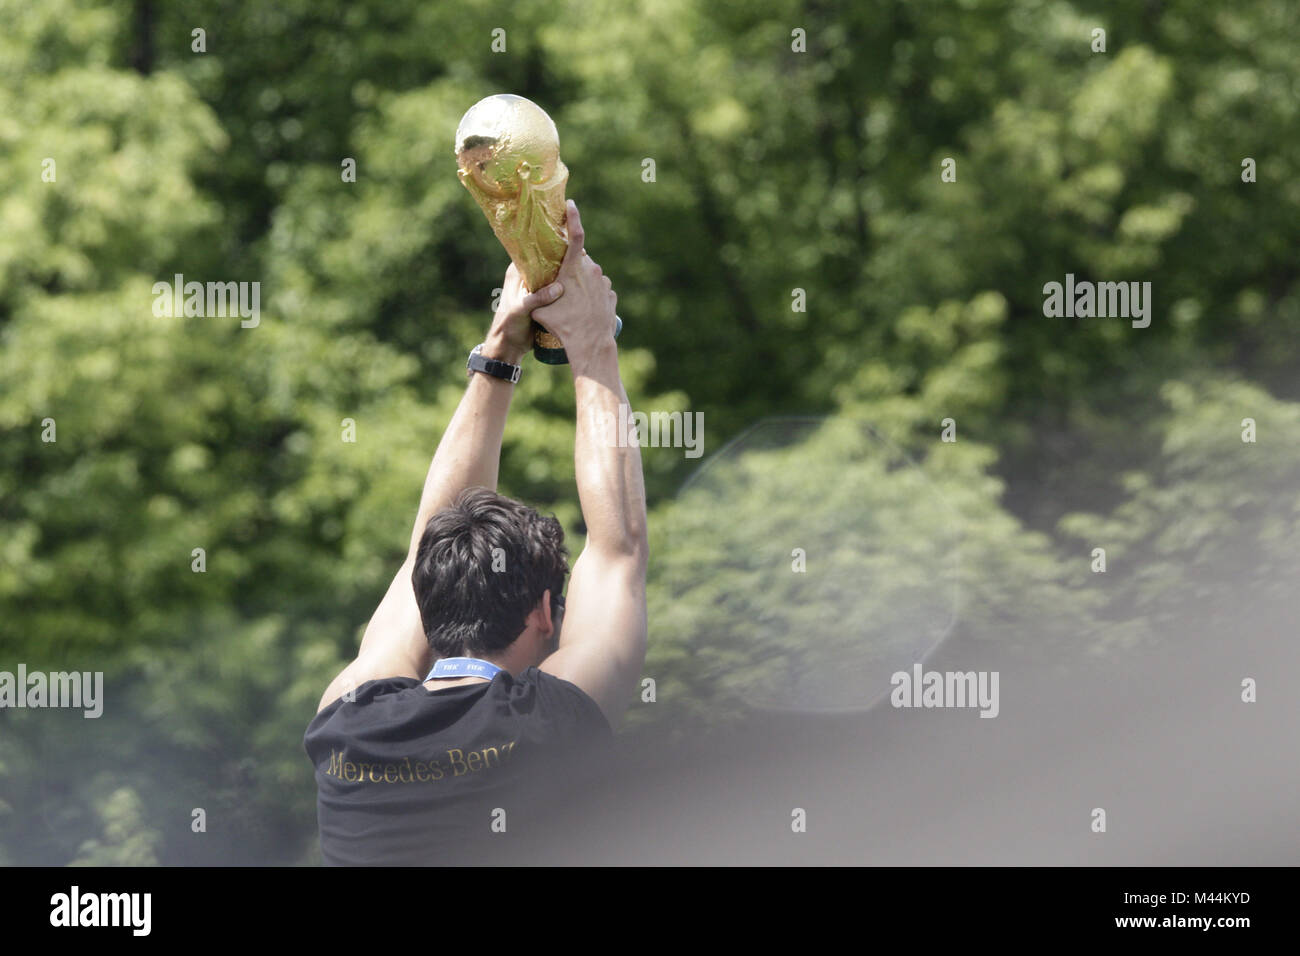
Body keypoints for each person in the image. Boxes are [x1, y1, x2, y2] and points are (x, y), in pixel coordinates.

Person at [303, 201, 648, 865]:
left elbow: (424, 551)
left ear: (429, 612)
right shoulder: (552, 726)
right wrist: (592, 340)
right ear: (546, 612)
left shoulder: (346, 726)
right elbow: (620, 549)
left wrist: (500, 347)